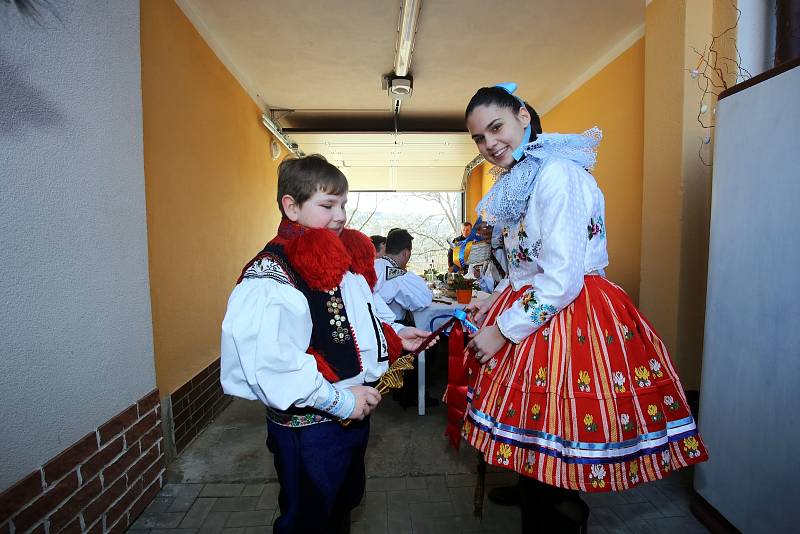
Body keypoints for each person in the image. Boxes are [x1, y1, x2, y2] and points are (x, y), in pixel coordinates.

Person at [456, 84, 708, 533]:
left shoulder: (557, 173)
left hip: (570, 313)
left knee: (561, 437)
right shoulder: (523, 178)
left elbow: (563, 279)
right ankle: (533, 491)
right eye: (479, 137)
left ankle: (554, 512)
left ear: (522, 117)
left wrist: (502, 329)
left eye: (496, 128)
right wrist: (495, 298)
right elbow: (529, 266)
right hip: (537, 308)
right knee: (536, 427)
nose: (489, 144)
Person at [220, 155, 433, 534]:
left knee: (340, 508)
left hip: (350, 419)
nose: (340, 216)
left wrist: (397, 336)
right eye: (327, 205)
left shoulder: (340, 257)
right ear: (291, 206)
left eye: (344, 204)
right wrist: (342, 400)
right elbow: (273, 365)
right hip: (310, 430)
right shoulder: (271, 274)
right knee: (308, 519)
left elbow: (354, 322)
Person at [373, 228, 433, 323]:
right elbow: (424, 300)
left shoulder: (373, 264)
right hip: (391, 327)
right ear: (406, 253)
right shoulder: (399, 275)